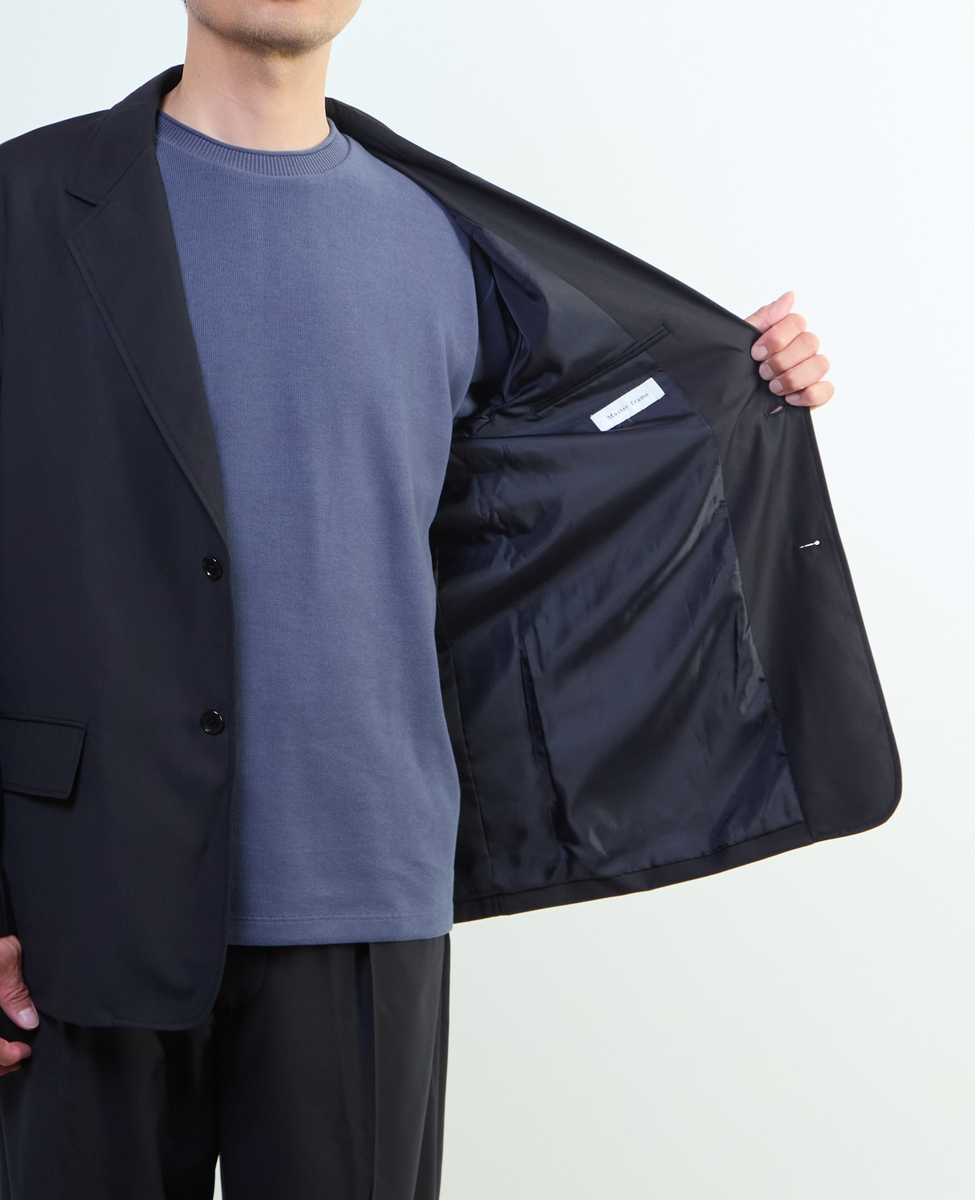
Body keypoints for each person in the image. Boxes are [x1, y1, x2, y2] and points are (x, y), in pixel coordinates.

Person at [0, 1, 896, 1197]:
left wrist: (741, 393)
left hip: (367, 898)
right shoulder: (22, 208)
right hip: (76, 904)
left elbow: (561, 484)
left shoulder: (445, 241)